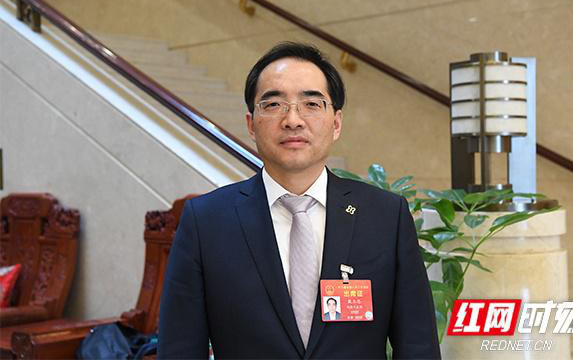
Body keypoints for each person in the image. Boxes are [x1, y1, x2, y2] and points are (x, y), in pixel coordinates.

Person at [158, 42, 440, 359]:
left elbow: (418, 347)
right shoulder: (206, 221)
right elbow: (180, 349)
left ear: (336, 123)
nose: (293, 120)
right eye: (274, 104)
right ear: (251, 124)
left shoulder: (386, 216)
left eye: (311, 104)